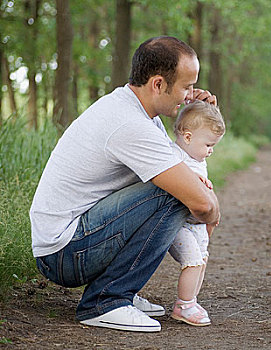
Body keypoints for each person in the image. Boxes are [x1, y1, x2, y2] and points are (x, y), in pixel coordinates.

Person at [29, 36, 220, 333]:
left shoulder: (137, 110)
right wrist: (214, 213)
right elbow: (200, 203)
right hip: (64, 253)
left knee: (175, 184)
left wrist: (196, 117)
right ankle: (105, 301)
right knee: (173, 192)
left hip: (72, 241)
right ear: (158, 84)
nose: (191, 93)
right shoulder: (130, 124)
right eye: (186, 86)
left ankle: (118, 291)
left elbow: (181, 162)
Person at [166, 100, 225, 327]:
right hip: (179, 223)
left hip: (197, 224)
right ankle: (183, 305)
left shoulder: (197, 157)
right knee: (191, 261)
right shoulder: (174, 156)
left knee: (201, 259)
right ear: (188, 137)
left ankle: (192, 300)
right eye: (208, 145)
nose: (211, 151)